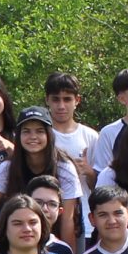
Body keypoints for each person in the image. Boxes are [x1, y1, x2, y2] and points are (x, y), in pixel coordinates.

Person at [0, 108, 83, 246]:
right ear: (18, 136)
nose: (33, 136)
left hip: (60, 235)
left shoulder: (64, 167)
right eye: (26, 131)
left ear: (49, 134)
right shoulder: (8, 167)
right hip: (22, 238)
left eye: (40, 131)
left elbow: (68, 219)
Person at [45, 72, 103, 236]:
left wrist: (88, 171)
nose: (61, 105)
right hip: (45, 217)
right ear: (47, 100)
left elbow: (100, 186)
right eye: (56, 99)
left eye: (67, 99)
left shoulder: (90, 136)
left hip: (83, 216)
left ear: (77, 100)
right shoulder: (40, 136)